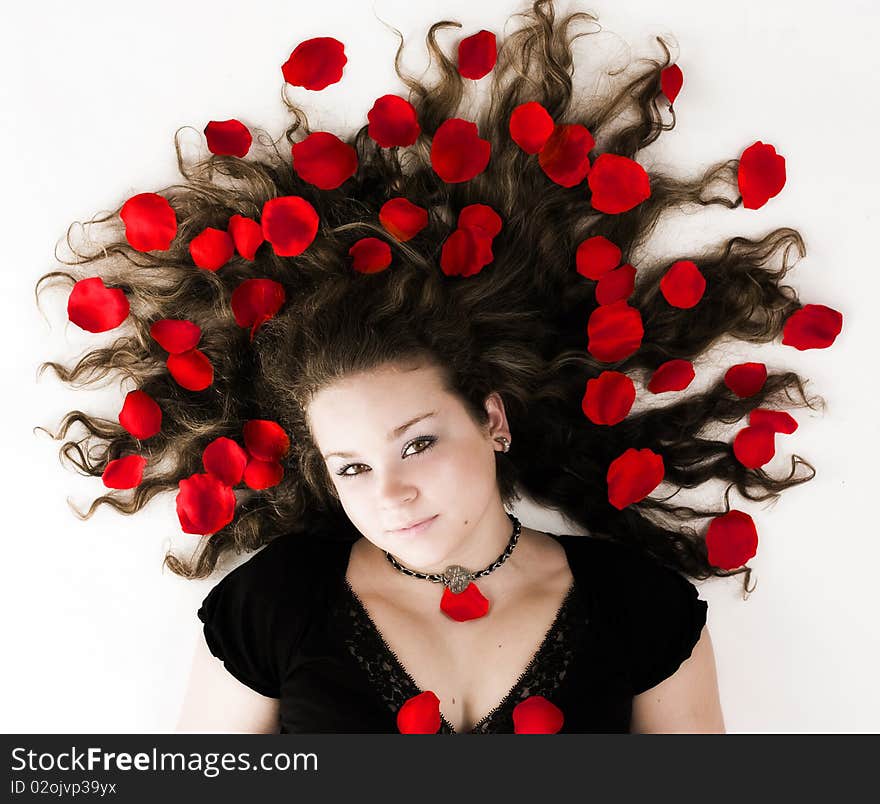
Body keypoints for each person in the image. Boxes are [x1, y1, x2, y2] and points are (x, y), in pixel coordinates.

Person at [36, 0, 838, 734]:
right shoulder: (277, 604)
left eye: (416, 443)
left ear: (491, 419)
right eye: (351, 466)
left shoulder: (638, 608)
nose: (389, 495)